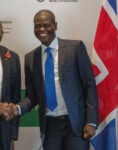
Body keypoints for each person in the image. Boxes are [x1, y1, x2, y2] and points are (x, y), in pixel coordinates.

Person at [7, 9, 98, 150]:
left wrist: (91, 121)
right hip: (50, 127)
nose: (42, 29)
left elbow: (89, 85)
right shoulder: (30, 58)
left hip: (76, 124)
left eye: (46, 25)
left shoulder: (75, 48)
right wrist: (17, 108)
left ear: (55, 25)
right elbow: (33, 96)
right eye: (37, 26)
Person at [0, 21, 21, 150]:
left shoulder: (12, 57)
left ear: (2, 33)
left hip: (4, 128)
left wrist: (12, 135)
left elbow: (16, 97)